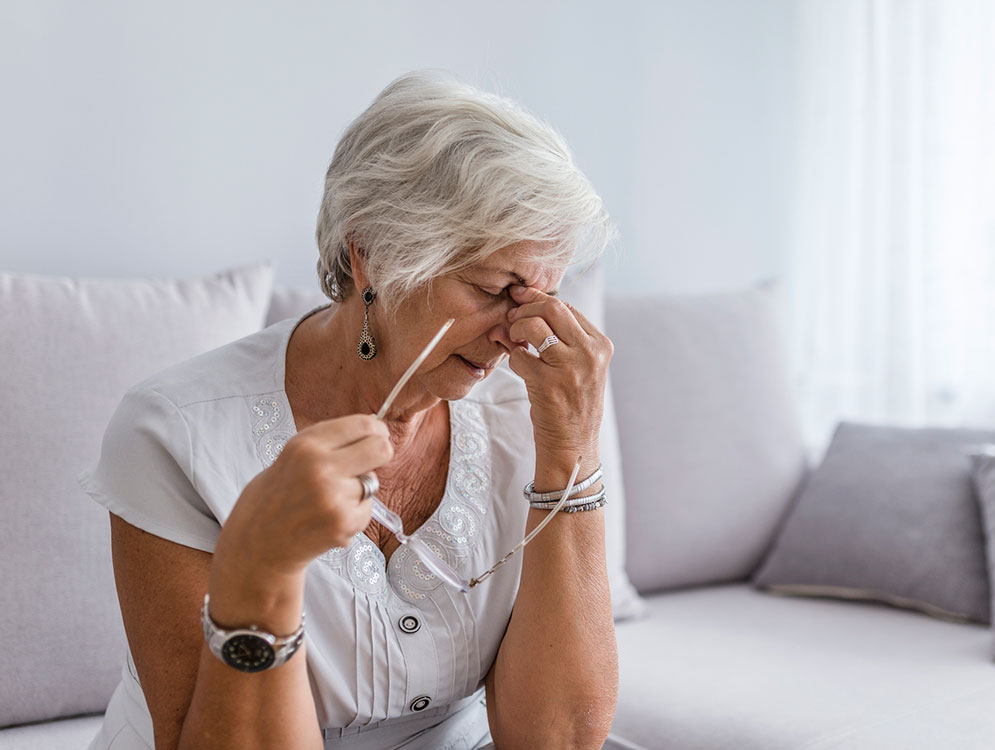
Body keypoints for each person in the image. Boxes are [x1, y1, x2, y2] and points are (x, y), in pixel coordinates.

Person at [81, 71, 619, 750]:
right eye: (492, 289)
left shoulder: (531, 411)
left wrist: (572, 457)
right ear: (370, 257)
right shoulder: (176, 434)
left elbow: (558, 741)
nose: (522, 333)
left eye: (543, 295)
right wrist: (260, 571)